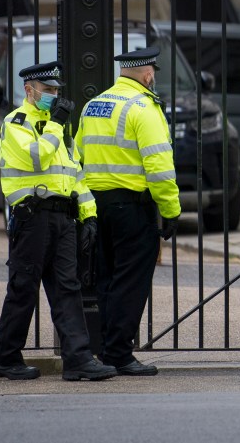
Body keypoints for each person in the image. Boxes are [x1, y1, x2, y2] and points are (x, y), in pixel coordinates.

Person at [0, 61, 115, 382]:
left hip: (61, 218)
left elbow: (75, 175)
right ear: (29, 91)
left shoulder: (60, 128)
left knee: (67, 289)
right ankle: (5, 358)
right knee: (24, 288)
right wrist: (57, 125)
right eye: (48, 90)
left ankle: (78, 360)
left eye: (57, 90)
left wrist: (89, 215)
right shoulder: (17, 123)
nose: (55, 96)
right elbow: (37, 157)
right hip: (32, 217)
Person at [76, 47, 180, 376]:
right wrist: (171, 210)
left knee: (106, 279)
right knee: (130, 282)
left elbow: (77, 154)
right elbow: (159, 167)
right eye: (154, 73)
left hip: (97, 204)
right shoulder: (143, 108)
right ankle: (119, 354)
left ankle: (105, 349)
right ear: (147, 74)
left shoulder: (94, 105)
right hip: (132, 207)